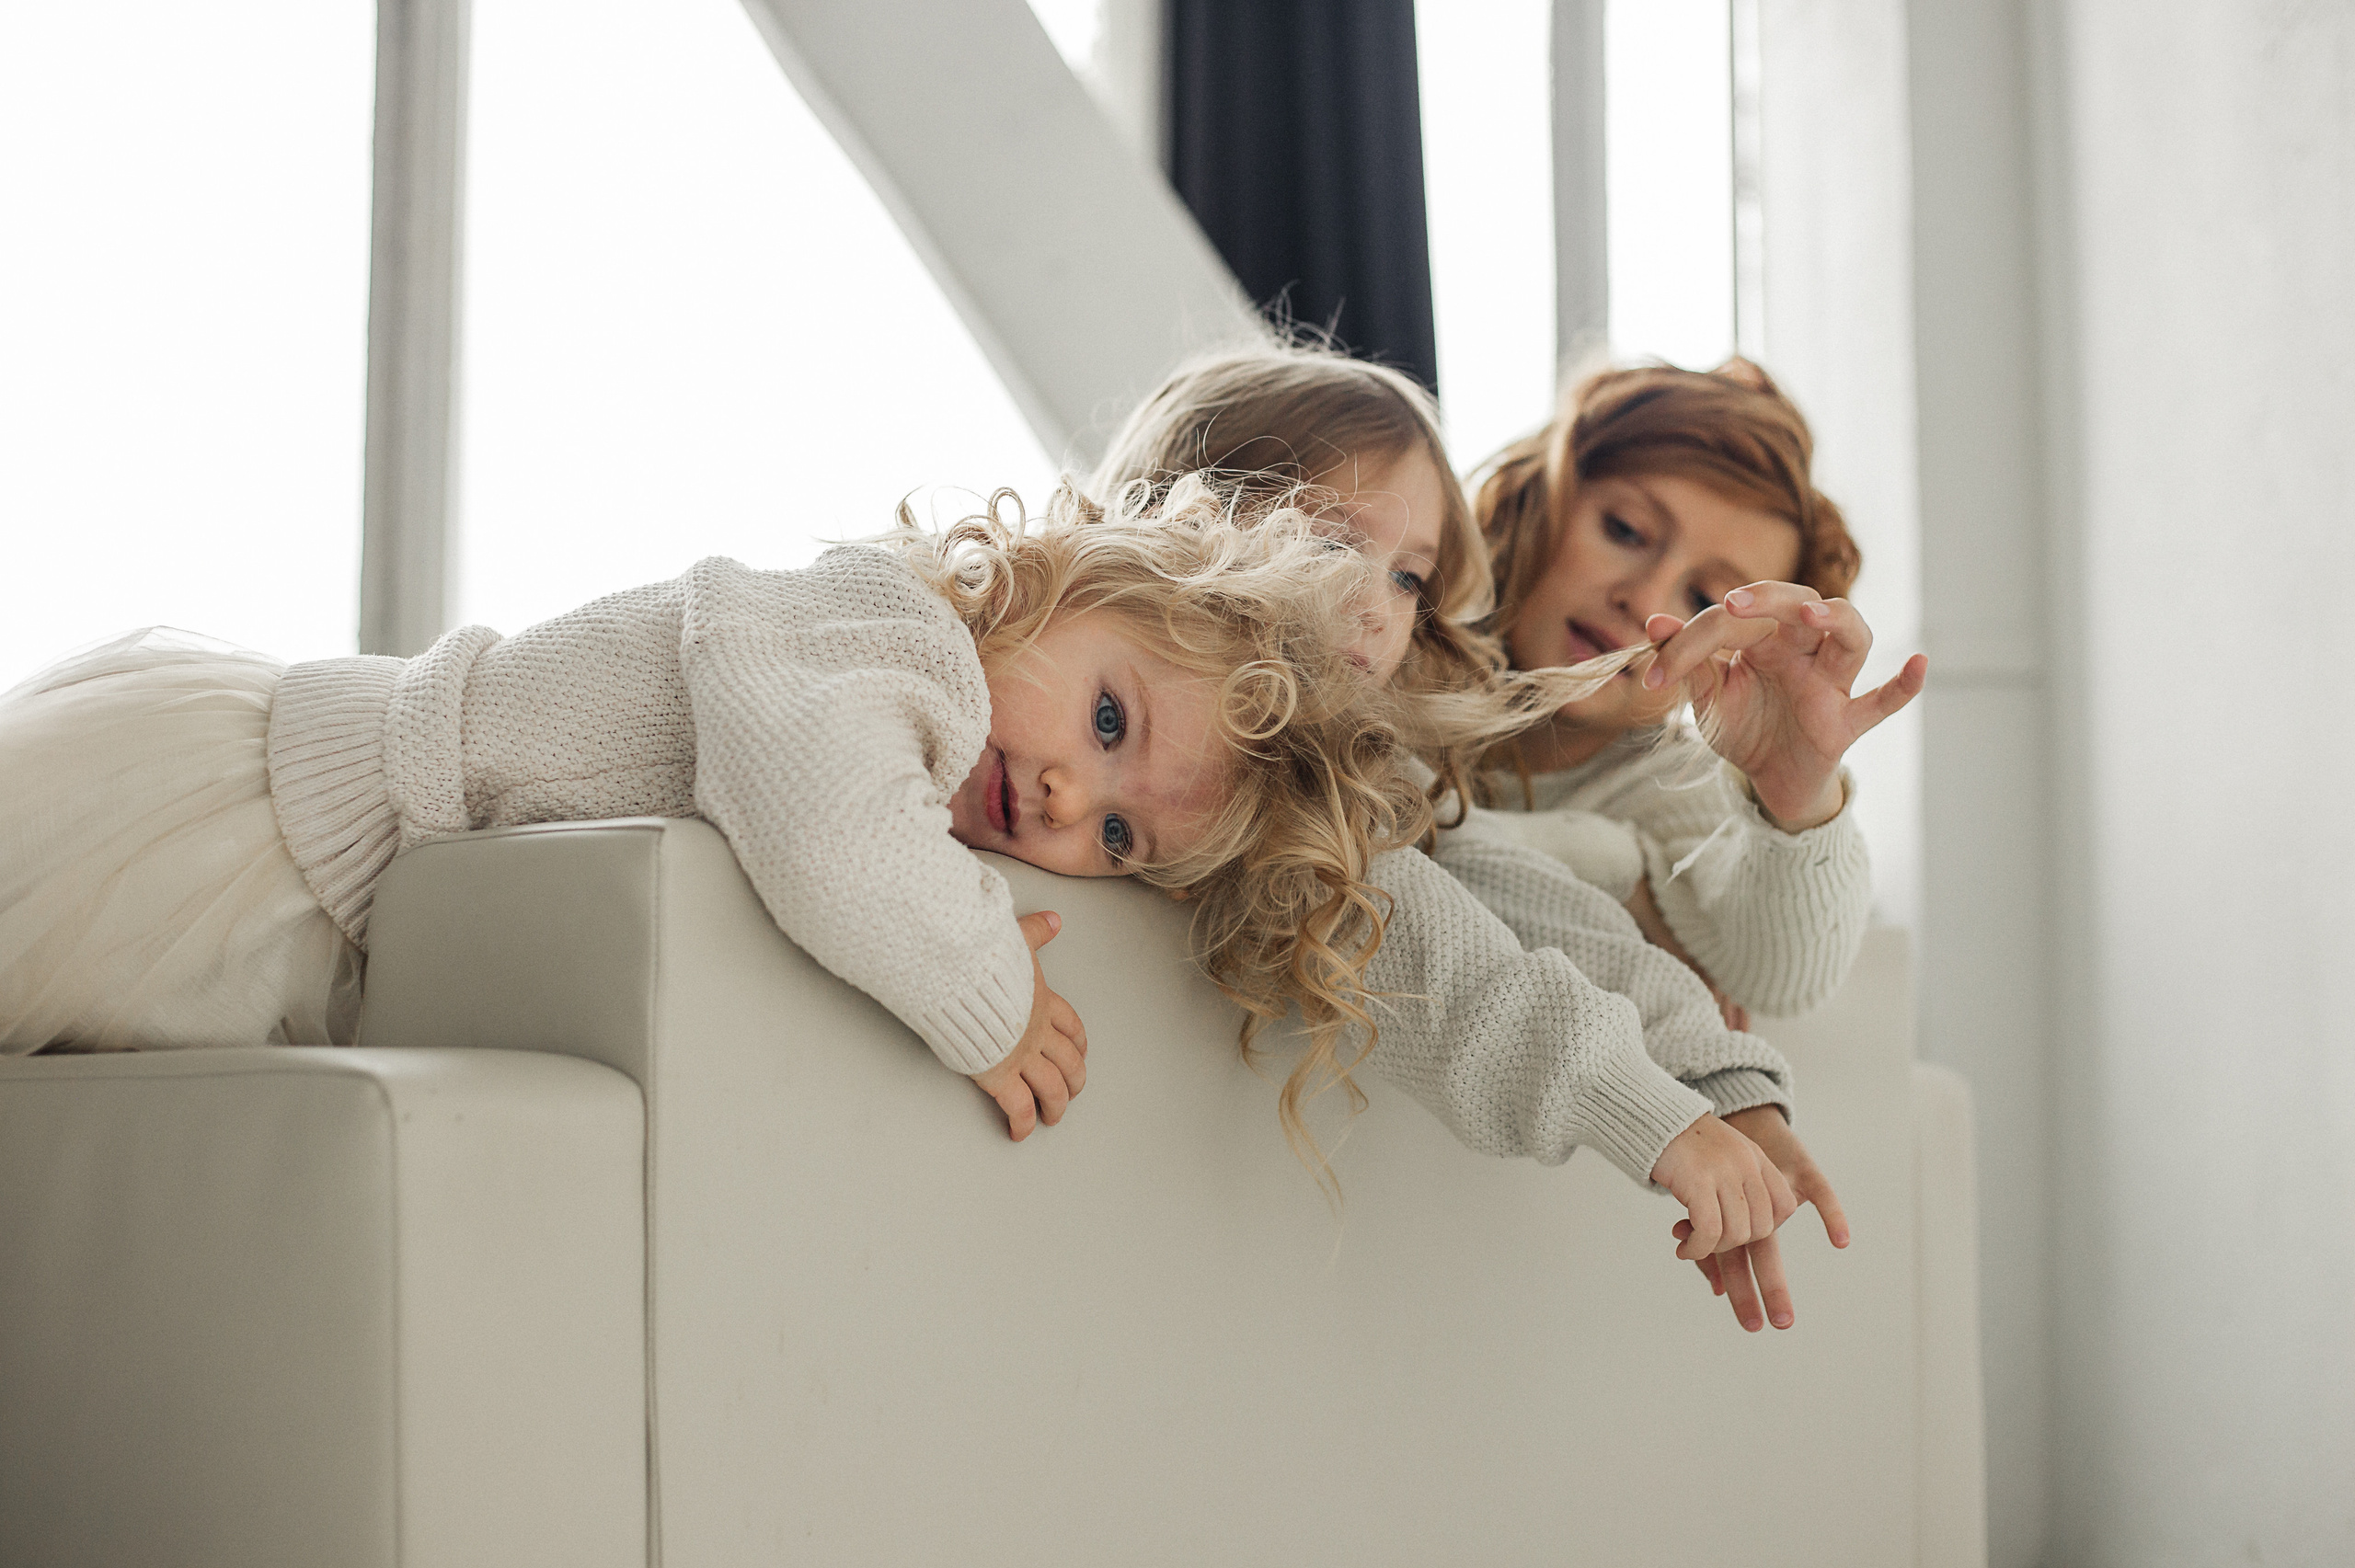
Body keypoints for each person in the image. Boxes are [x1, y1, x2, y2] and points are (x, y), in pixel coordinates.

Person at [0, 480, 1795, 1284]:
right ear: (1040, 573)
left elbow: (1432, 953)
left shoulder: (976, 715)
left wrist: (1665, 1095)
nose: (1069, 796)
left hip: (315, 883)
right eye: (1100, 712)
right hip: (238, 813)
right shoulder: (880, 629)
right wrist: (986, 999)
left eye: (1112, 838)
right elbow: (822, 825)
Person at [1092, 344, 1831, 1333]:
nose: (1372, 605)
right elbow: (1440, 937)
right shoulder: (1067, 658)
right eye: (1327, 546)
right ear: (1178, 515)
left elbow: (1501, 896)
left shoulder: (1348, 772)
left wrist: (1712, 1081)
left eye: (1406, 577)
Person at [1469, 356, 1928, 1309]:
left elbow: (1779, 974)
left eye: (1707, 597)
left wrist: (1792, 791)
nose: (1644, 599)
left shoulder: (1663, 780)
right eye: (1625, 529)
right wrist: (1613, 871)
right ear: (1541, 497)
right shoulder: (1384, 655)